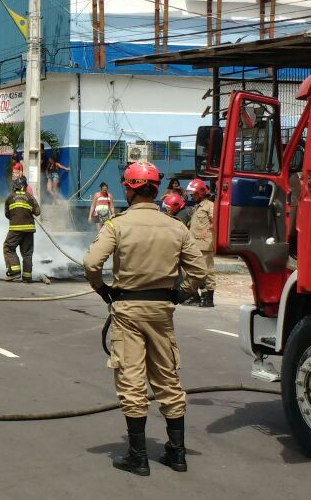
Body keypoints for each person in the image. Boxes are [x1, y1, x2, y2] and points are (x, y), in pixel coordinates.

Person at [83, 161, 207, 476]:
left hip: (127, 310)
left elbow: (91, 263)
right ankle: (177, 454)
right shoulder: (176, 226)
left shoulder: (117, 225)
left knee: (132, 380)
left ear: (129, 188)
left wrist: (103, 290)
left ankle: (137, 457)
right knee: (167, 378)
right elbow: (199, 272)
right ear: (155, 189)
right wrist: (180, 294)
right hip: (162, 311)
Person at [181, 178, 216, 307]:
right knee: (192, 271)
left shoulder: (209, 206)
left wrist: (206, 230)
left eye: (194, 193)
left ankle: (209, 298)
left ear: (201, 192)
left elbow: (216, 221)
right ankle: (195, 296)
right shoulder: (197, 207)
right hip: (195, 244)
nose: (192, 196)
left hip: (204, 244)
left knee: (207, 271)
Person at [3, 176, 41, 282]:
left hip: (15, 228)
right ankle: (27, 276)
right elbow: (37, 212)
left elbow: (7, 214)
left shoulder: (10, 197)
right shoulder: (30, 197)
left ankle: (14, 271)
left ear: (14, 186)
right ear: (25, 187)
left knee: (8, 248)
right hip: (29, 229)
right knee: (27, 253)